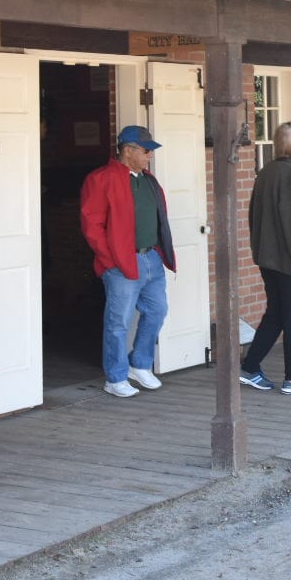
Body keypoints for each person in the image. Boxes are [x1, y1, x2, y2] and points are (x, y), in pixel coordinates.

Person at [80, 125, 177, 399]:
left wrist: (160, 253)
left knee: (157, 311)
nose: (150, 156)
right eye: (146, 151)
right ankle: (115, 377)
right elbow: (92, 225)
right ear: (129, 150)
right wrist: (110, 261)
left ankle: (140, 364)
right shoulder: (100, 179)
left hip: (151, 259)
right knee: (118, 322)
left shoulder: (148, 180)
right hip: (121, 262)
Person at [239, 122, 291, 396]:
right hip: (289, 262)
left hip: (268, 260)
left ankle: (250, 367)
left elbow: (253, 217)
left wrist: (259, 251)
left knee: (275, 314)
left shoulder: (265, 173)